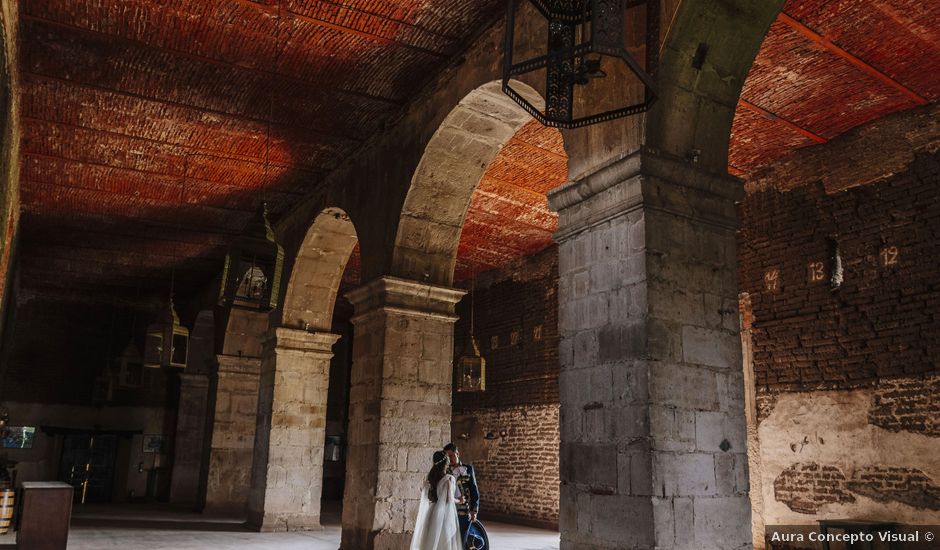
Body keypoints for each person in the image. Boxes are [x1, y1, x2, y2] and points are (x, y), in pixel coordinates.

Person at [410, 451, 462, 550]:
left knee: (430, 540)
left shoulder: (430, 477)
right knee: (444, 541)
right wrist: (459, 500)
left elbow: (429, 496)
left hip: (432, 511)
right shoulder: (448, 479)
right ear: (446, 463)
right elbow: (449, 499)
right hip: (444, 514)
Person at [443, 442, 480, 547]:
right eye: (447, 457)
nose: (450, 459)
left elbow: (474, 490)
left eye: (451, 456)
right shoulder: (445, 471)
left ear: (457, 454)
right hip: (449, 511)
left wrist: (474, 510)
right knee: (450, 542)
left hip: (465, 512)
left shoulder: (468, 469)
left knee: (463, 541)